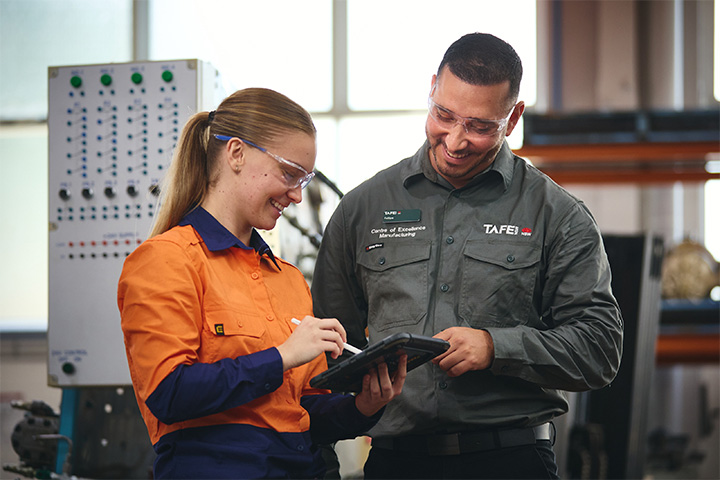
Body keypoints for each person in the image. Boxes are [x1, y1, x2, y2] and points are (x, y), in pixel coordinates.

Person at [311, 33, 623, 479]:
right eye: (444, 115)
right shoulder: (362, 209)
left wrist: (497, 347)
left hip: (511, 460)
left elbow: (600, 348)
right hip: (395, 461)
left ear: (512, 118)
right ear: (433, 86)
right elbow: (328, 350)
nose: (455, 141)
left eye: (480, 126)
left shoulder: (558, 215)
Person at [117, 87, 407, 479]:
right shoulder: (166, 260)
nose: (297, 195)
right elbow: (169, 392)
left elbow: (305, 414)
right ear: (236, 153)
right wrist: (283, 355)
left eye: (304, 179)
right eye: (290, 173)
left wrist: (364, 407)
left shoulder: (287, 279)